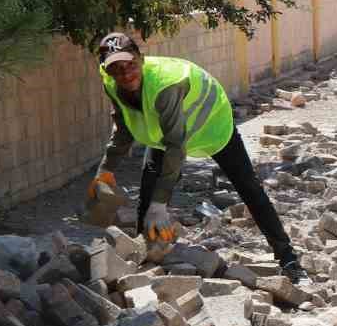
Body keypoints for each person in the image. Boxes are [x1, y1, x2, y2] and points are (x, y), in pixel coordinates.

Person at [89, 32, 306, 280]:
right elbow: (125, 128)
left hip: (211, 127)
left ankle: (288, 259)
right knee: (148, 193)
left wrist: (161, 204)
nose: (126, 74)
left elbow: (176, 147)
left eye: (130, 65)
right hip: (166, 134)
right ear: (107, 70)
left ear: (141, 58)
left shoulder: (165, 84)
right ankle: (149, 256)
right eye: (117, 69)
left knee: (248, 188)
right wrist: (104, 172)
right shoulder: (112, 84)